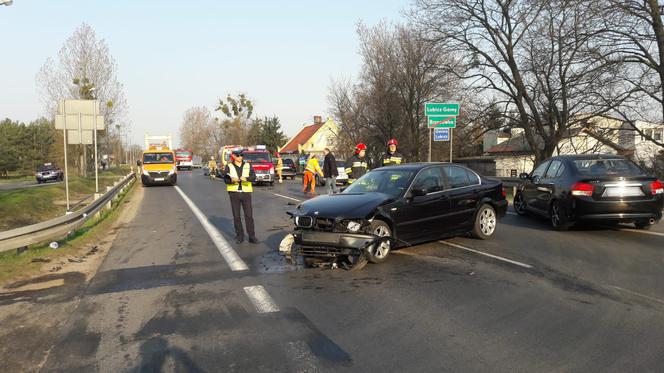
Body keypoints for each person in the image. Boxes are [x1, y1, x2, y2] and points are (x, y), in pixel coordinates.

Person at [223, 150, 258, 244]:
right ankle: (240, 236)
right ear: (233, 156)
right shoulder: (229, 166)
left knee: (249, 216)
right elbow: (225, 179)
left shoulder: (248, 165)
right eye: (238, 155)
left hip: (246, 193)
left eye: (242, 155)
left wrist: (246, 179)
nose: (240, 157)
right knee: (236, 216)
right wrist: (232, 181)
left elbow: (254, 176)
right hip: (234, 193)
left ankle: (252, 236)